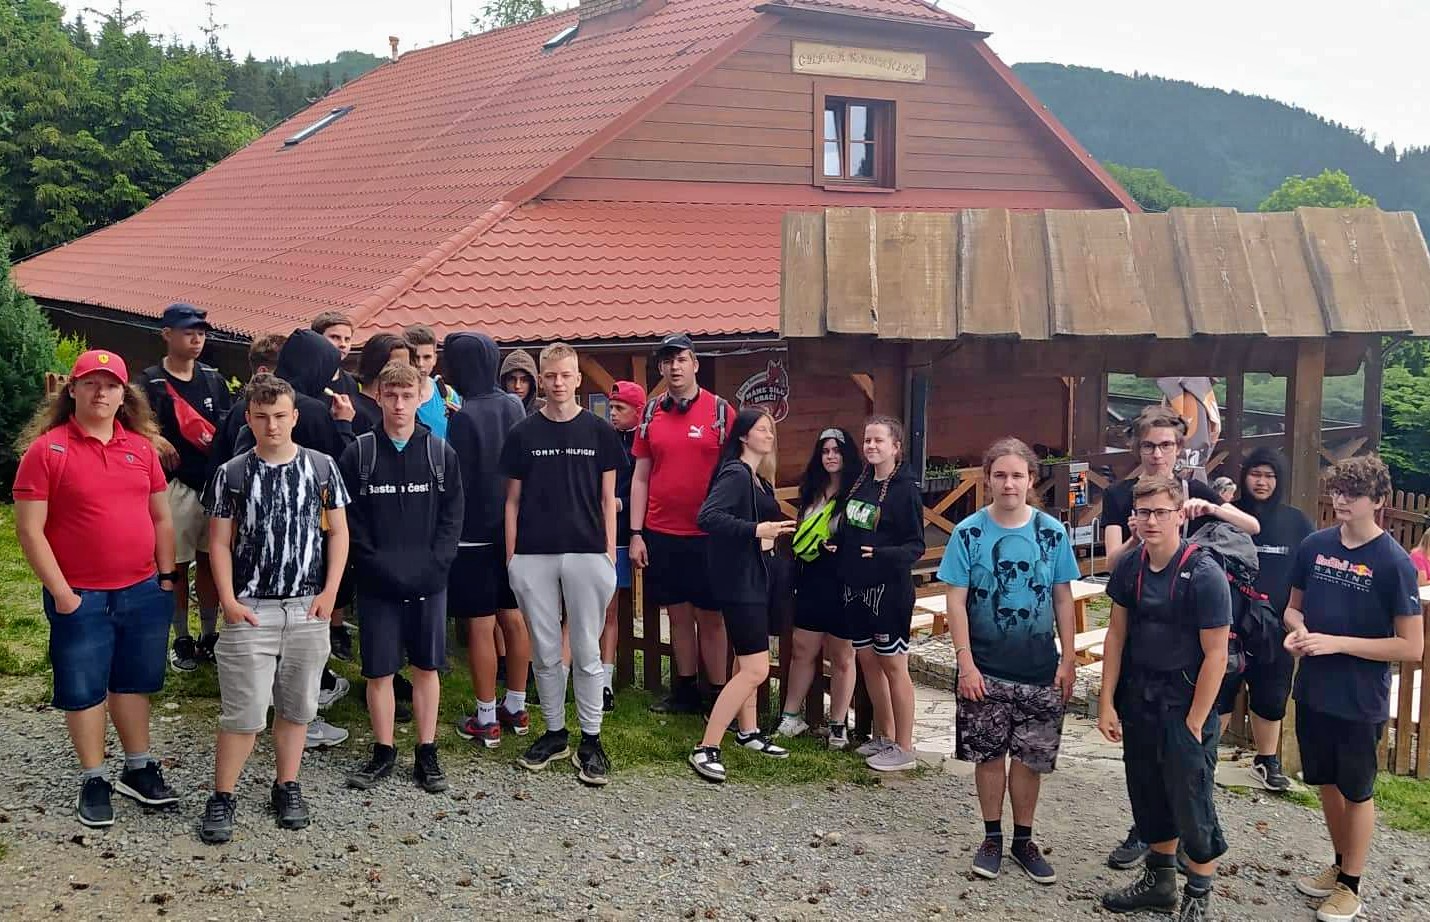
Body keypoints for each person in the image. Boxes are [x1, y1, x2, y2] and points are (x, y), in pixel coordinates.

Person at [13, 350, 180, 828]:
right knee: (85, 688)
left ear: (124, 395)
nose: (100, 392)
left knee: (134, 682)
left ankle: (137, 767)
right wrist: (62, 593)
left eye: (110, 385)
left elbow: (161, 517)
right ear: (73, 390)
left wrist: (166, 576)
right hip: (80, 594)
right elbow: (30, 530)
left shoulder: (141, 449)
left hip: (142, 588)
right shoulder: (47, 451)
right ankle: (94, 777)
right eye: (90, 383)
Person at [1101, 406, 1259, 868]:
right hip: (1144, 611)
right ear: (1138, 448)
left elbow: (1252, 526)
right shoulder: (1120, 495)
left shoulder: (1194, 488)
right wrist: (1141, 533)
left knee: (1189, 766)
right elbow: (1113, 563)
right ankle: (1149, 839)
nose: (1157, 454)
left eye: (1166, 445)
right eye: (1149, 445)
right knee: (1144, 765)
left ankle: (1196, 852)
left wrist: (1209, 508)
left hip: (1193, 622)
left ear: (1178, 448)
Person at [201, 374, 350, 844]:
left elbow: (339, 533)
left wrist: (330, 593)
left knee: (298, 707)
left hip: (307, 606)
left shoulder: (322, 468)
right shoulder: (231, 473)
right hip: (251, 608)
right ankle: (223, 795)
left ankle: (287, 785)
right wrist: (228, 601)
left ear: (295, 417)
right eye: (262, 417)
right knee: (244, 714)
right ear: (248, 418)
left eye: (280, 416)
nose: (272, 425)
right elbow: (218, 542)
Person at [1284, 455, 1422, 922]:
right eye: (1338, 490)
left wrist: (1337, 643)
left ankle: (1352, 887)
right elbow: (1292, 609)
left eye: (1354, 493)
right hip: (1313, 689)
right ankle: (1340, 865)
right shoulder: (1314, 545)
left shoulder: (1394, 563)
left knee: (1357, 790)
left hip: (1360, 698)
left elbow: (1411, 646)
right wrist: (1298, 632)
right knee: (1325, 781)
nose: (1341, 499)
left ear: (1379, 501)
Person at [207, 330, 357, 748]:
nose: (272, 424)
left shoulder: (248, 403)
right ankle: (300, 720)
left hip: (246, 552)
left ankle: (277, 725)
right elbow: (342, 470)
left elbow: (218, 459)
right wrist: (345, 427)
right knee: (291, 668)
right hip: (295, 558)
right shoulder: (310, 410)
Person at [940, 437, 1080, 884]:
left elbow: (1063, 597)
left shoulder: (1052, 534)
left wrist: (1069, 658)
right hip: (984, 668)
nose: (1008, 483)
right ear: (987, 479)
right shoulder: (968, 534)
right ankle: (991, 837)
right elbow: (955, 601)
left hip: (1040, 667)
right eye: (1000, 475)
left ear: (1031, 479)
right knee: (988, 756)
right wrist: (965, 662)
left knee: (1029, 759)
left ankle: (1023, 838)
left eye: (1017, 475)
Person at [1098, 476, 1230, 920]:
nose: (1151, 521)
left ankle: (1198, 893)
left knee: (1191, 797)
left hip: (1185, 701)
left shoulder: (1204, 573)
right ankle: (1159, 882)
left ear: (1179, 515)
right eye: (1143, 512)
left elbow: (1217, 653)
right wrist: (1106, 702)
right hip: (1140, 697)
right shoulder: (1130, 567)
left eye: (1160, 512)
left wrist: (1196, 719)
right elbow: (1116, 636)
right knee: (1147, 790)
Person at [500, 342, 625, 786]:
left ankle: (591, 739)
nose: (557, 383)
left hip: (588, 552)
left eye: (565, 375)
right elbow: (512, 501)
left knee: (587, 651)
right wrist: (512, 557)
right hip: (533, 554)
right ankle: (554, 733)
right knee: (546, 651)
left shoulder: (599, 432)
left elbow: (608, 498)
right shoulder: (522, 433)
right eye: (550, 375)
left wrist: (609, 554)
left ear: (577, 379)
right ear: (542, 379)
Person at [340, 361, 463, 793]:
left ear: (419, 398)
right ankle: (383, 749)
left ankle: (427, 752)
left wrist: (437, 565)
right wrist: (372, 566)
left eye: (407, 396)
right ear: (378, 396)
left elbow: (452, 516)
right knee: (379, 671)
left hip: (428, 580)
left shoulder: (439, 453)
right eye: (390, 395)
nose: (398, 404)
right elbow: (349, 520)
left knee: (426, 667)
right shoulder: (360, 453)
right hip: (378, 582)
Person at [687, 409, 796, 781]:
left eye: (771, 430)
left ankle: (748, 731)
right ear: (743, 436)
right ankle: (706, 747)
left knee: (745, 660)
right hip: (739, 582)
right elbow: (708, 517)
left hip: (757, 578)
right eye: (762, 429)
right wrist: (757, 530)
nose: (769, 435)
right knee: (756, 669)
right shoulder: (735, 473)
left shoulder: (759, 479)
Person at [630, 333, 735, 715]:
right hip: (662, 532)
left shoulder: (720, 412)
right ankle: (686, 691)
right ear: (660, 367)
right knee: (676, 614)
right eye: (668, 361)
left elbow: (737, 472)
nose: (675, 367)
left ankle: (719, 693)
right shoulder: (650, 413)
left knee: (712, 618)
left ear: (695, 364)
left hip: (709, 534)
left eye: (682, 359)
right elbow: (641, 476)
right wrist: (636, 533)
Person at [443, 332, 533, 747]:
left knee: (480, 624)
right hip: (512, 531)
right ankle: (517, 706)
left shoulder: (464, 416)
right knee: (513, 617)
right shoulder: (513, 404)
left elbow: (457, 479)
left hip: (473, 534)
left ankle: (485, 717)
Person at [137, 304, 232, 673]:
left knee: (212, 559)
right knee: (173, 564)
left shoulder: (213, 379)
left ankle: (209, 633)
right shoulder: (149, 382)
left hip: (213, 485)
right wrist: (153, 439)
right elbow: (131, 424)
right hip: (172, 485)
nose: (197, 339)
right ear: (167, 334)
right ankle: (181, 637)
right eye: (189, 332)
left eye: (202, 333)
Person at [1215, 447, 1314, 792]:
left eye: (1269, 476)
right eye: (1255, 474)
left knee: (1271, 697)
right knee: (1219, 691)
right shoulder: (1228, 514)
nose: (1262, 482)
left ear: (1279, 480)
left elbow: (1308, 573)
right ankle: (1205, 756)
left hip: (1275, 626)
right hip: (1227, 623)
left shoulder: (1296, 522)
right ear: (1244, 477)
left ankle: (1266, 759)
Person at [833, 416, 925, 772]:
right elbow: (852, 529)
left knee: (893, 665)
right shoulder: (861, 483)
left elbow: (916, 545)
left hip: (889, 590)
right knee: (868, 661)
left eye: (879, 441)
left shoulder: (905, 490)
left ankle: (905, 746)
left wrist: (883, 554)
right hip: (855, 588)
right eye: (867, 440)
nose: (871, 446)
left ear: (896, 447)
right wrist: (836, 544)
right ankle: (884, 736)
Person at [774, 428, 860, 749]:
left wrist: (843, 546)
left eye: (836, 450)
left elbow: (864, 536)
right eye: (825, 451)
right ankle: (790, 716)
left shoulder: (855, 493)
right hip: (810, 578)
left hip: (842, 581)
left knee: (842, 655)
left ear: (847, 454)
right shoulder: (811, 490)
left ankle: (838, 725)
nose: (831, 456)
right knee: (802, 649)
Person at [600, 380, 645, 712]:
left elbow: (647, 489)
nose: (613, 413)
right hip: (593, 532)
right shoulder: (603, 438)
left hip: (621, 532)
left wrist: (621, 504)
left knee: (610, 610)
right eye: (611, 407)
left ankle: (605, 681)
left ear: (637, 412)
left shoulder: (644, 445)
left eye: (620, 408)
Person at [404, 324, 461, 440]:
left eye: (427, 357)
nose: (420, 364)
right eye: (415, 357)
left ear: (435, 359)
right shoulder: (393, 397)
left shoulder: (447, 395)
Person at [352, 334, 411, 435]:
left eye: (406, 365)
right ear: (376, 363)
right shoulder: (357, 411)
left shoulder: (404, 406)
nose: (403, 371)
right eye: (396, 366)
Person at [311, 311, 360, 404]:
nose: (343, 344)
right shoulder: (301, 379)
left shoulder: (351, 383)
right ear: (316, 338)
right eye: (335, 337)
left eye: (347, 339)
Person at [500, 349, 544, 416]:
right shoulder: (495, 410)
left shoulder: (544, 410)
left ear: (532, 383)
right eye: (512, 379)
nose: (517, 386)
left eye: (524, 380)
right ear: (504, 382)